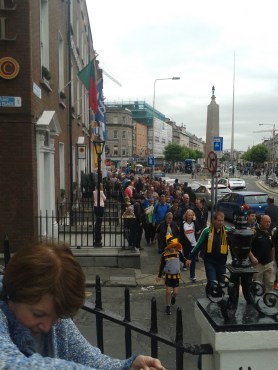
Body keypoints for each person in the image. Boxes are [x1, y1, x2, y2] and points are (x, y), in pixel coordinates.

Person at [0, 242, 164, 369]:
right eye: (38, 314)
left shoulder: (58, 323)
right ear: (13, 293)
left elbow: (90, 359)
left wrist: (126, 366)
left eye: (56, 316)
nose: (47, 327)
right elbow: (8, 364)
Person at [186, 211, 230, 292]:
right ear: (214, 220)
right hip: (210, 262)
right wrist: (190, 258)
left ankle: (219, 300)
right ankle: (210, 297)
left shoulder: (228, 231)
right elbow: (198, 245)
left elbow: (234, 245)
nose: (221, 223)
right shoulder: (206, 231)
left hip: (222, 262)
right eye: (219, 220)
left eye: (222, 220)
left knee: (221, 283)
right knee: (212, 282)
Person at [156, 235, 186, 315]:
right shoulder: (164, 254)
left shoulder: (178, 253)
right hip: (168, 276)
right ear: (168, 246)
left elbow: (183, 259)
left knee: (175, 292)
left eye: (174, 246)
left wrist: (187, 261)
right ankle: (168, 306)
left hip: (176, 276)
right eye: (171, 247)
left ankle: (173, 297)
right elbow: (162, 265)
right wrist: (159, 275)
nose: (173, 248)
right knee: (168, 291)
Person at [249, 215, 275, 293]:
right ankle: (255, 300)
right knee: (256, 285)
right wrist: (252, 257)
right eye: (266, 222)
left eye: (269, 222)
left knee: (270, 283)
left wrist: (273, 260)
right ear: (261, 222)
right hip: (258, 264)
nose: (268, 224)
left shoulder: (270, 232)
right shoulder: (254, 232)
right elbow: (247, 247)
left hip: (268, 263)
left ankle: (268, 300)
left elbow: (273, 247)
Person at [182, 209, 200, 282]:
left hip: (193, 244)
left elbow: (198, 230)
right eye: (189, 215)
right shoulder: (183, 223)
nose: (190, 216)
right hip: (186, 244)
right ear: (186, 216)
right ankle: (185, 264)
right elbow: (181, 234)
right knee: (186, 255)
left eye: (191, 215)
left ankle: (192, 275)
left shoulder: (194, 223)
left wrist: (195, 221)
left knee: (192, 259)